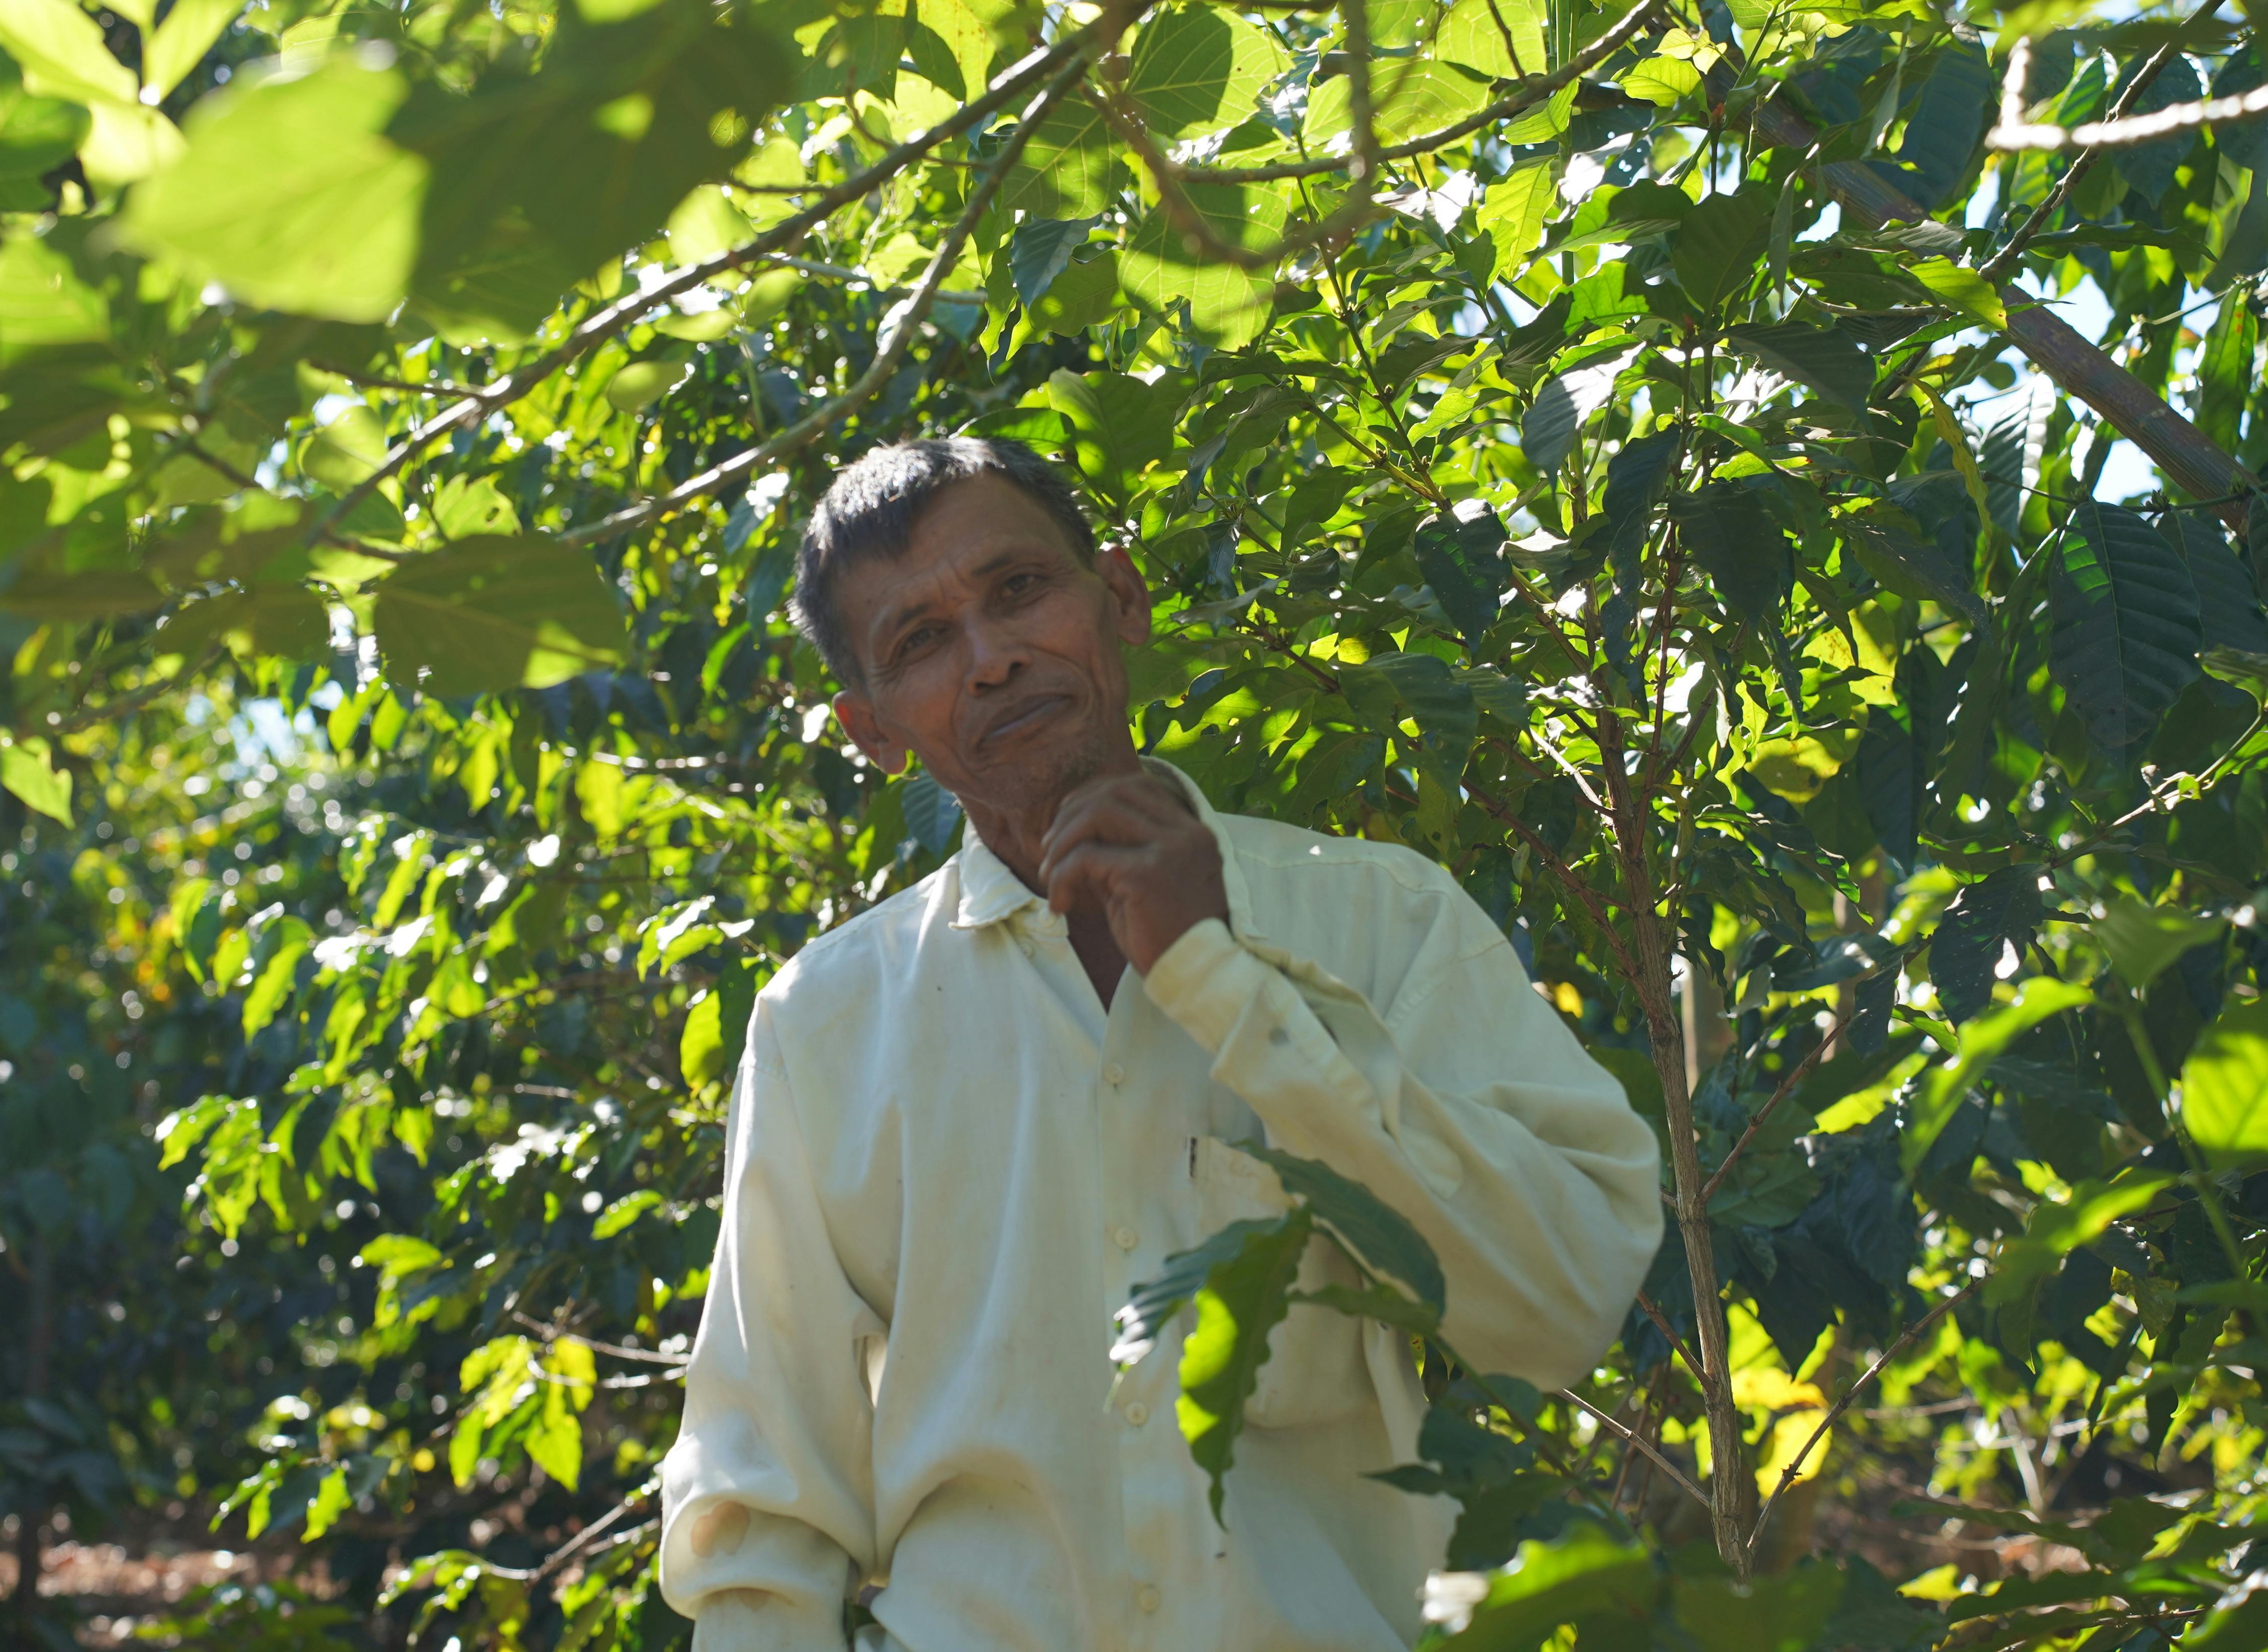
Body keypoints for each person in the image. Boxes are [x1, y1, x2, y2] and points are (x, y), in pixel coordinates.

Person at [655, 437, 1665, 1652]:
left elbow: (1562, 1302)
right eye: (921, 641)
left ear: (1120, 597)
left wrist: (1222, 979)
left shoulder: (1381, 917)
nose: (991, 656)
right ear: (872, 731)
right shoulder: (824, 1022)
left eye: (1019, 588)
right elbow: (764, 1500)